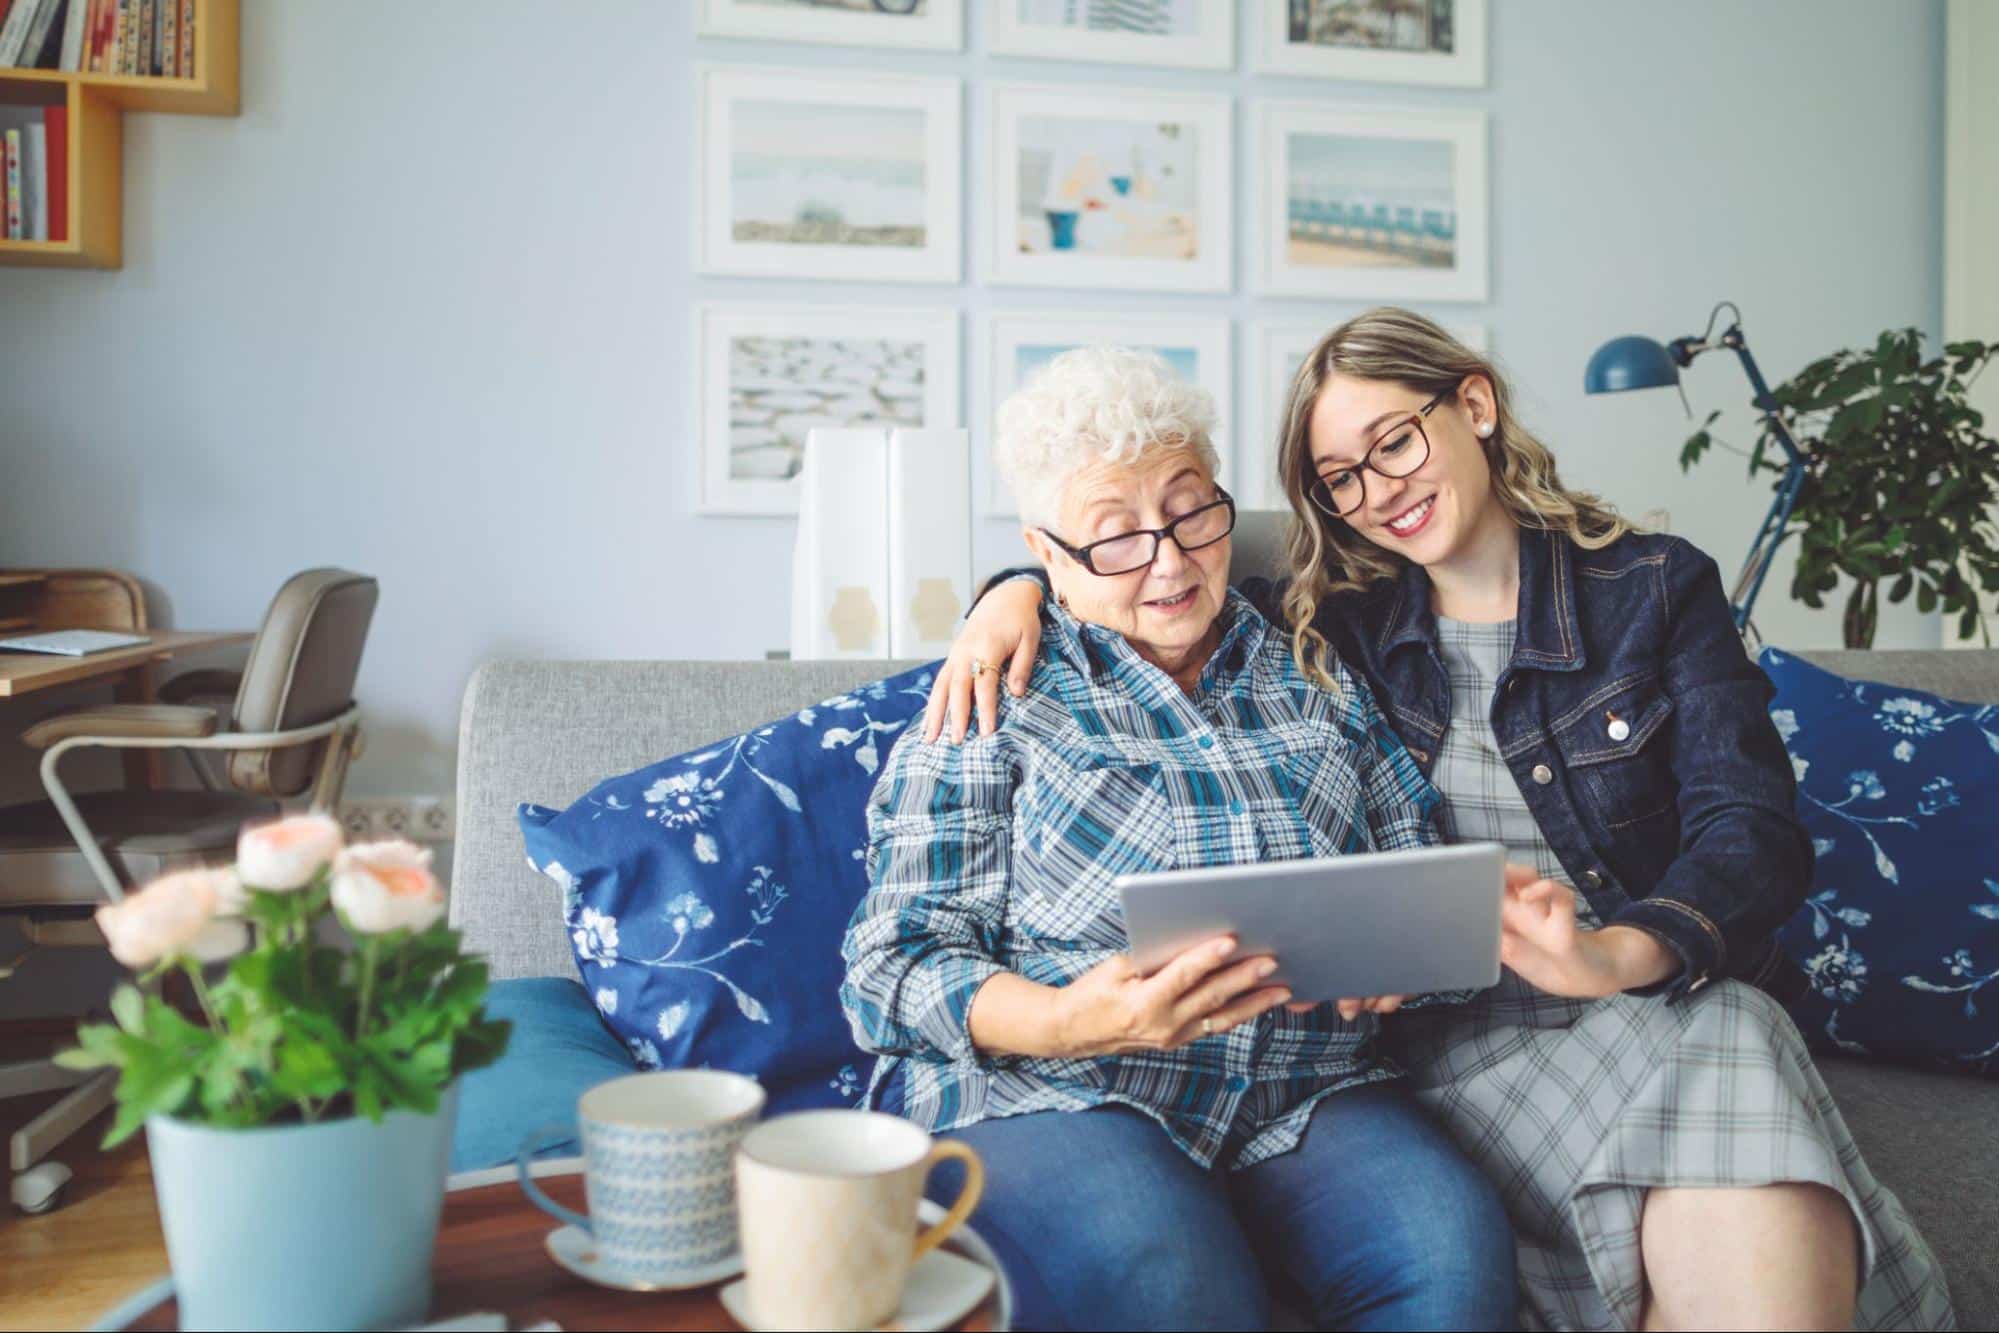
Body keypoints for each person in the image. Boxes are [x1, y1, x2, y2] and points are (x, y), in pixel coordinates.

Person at [924, 310, 1954, 1331]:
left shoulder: (1628, 590)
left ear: (1474, 403)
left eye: (1396, 442)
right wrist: (1010, 595)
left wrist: (1607, 954)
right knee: (1733, 1044)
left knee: (1732, 1029)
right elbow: (1127, 566)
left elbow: (1750, 832)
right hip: (1447, 1037)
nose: (1381, 491)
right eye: (1342, 477)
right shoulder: (1335, 620)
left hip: (1631, 994)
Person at [840, 346, 1517, 1332]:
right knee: (1176, 1281)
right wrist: (1070, 1019)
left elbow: (1412, 858)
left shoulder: (1317, 665)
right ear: (1047, 553)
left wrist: (1407, 952)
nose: (1168, 559)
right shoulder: (994, 697)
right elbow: (888, 966)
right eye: (1114, 538)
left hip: (1304, 1087)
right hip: (1056, 1089)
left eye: (1191, 511)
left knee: (1451, 1249)